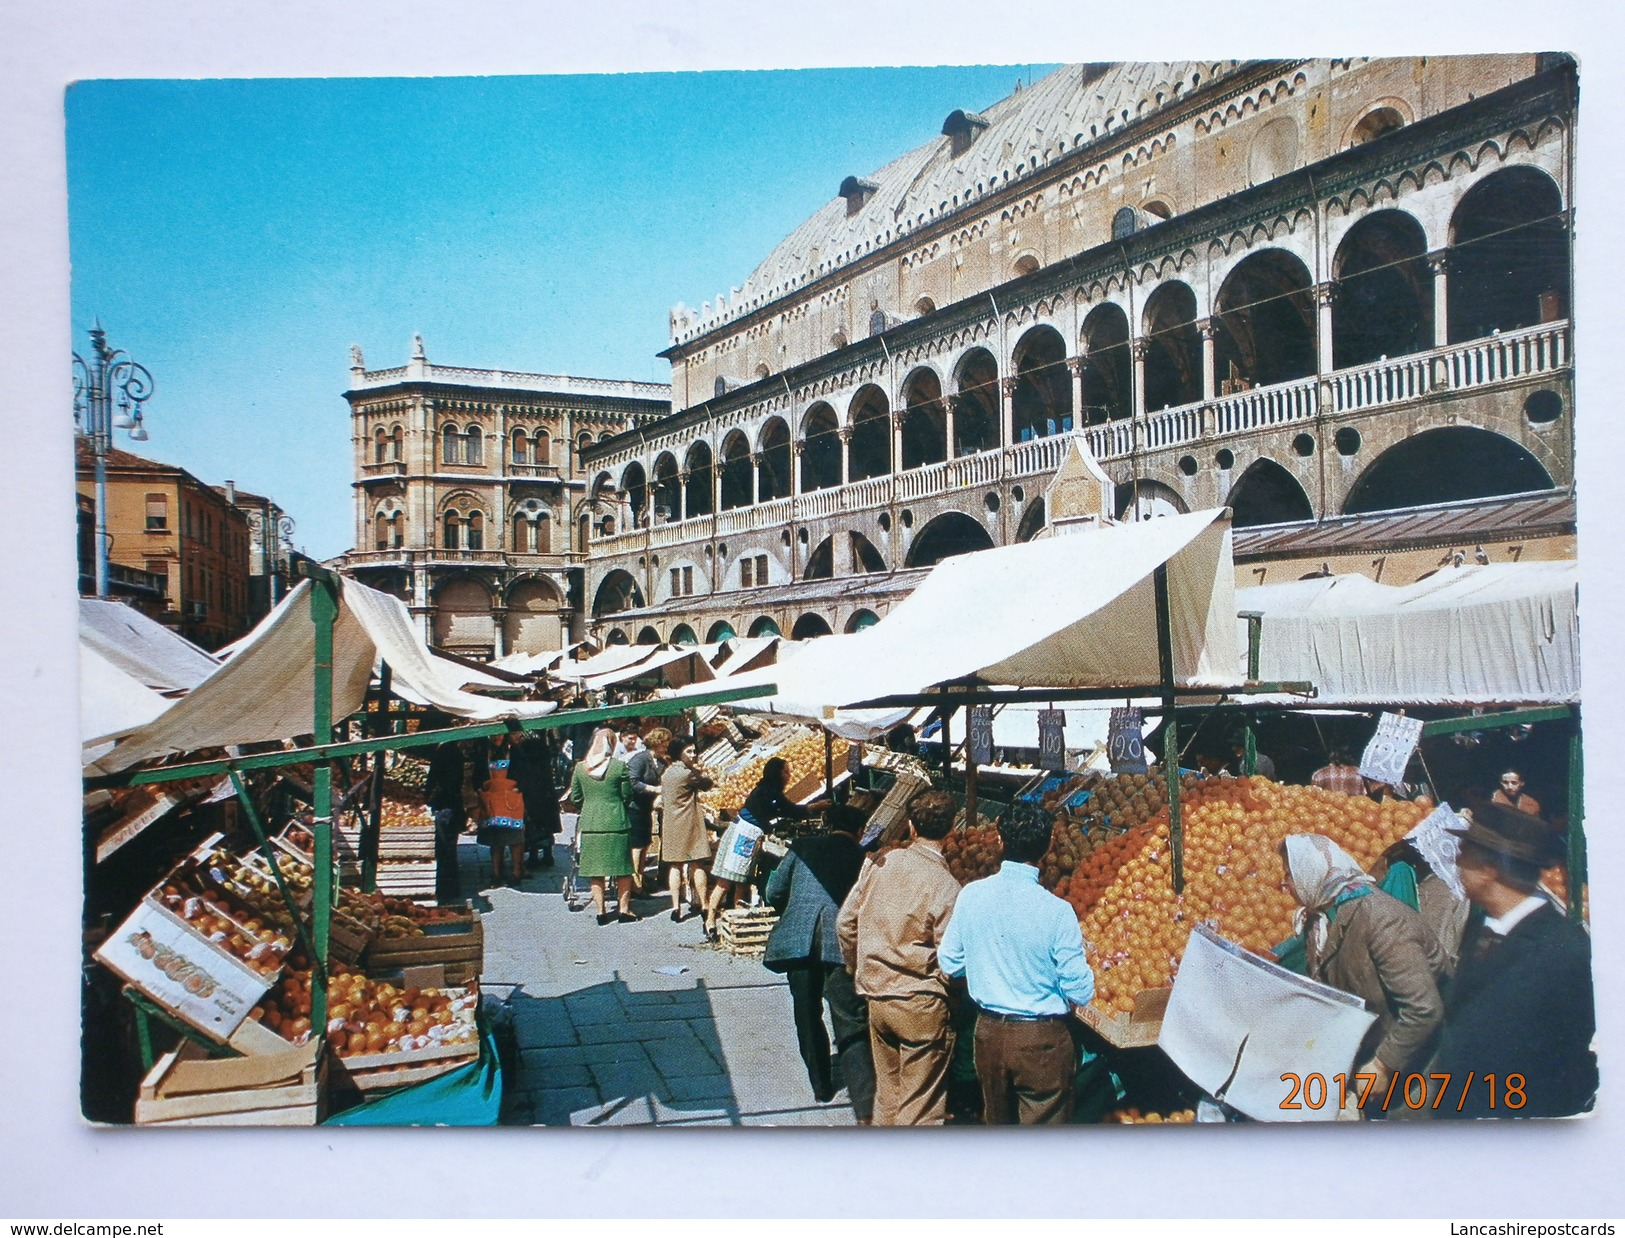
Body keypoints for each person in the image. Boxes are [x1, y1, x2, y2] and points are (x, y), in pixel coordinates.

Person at [1428, 803, 1596, 1119]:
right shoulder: (1480, 928)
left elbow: (1574, 1063)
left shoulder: (1563, 950)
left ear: (1489, 869)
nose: (1456, 860)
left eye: (1464, 853)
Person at [937, 803, 1095, 1124]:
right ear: (1049, 845)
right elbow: (1079, 989)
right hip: (1042, 1042)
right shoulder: (1058, 911)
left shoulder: (971, 895)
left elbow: (950, 963)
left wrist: (989, 969)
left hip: (989, 1034)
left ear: (999, 840)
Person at [1279, 834, 1446, 1108]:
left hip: (1416, 1073)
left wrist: (1383, 1064)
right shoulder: (1319, 918)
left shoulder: (1381, 919)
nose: (1283, 882)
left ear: (1311, 872)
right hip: (1366, 1056)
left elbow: (1424, 1009)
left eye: (1290, 873)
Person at [836, 790, 961, 1126]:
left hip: (877, 997)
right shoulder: (946, 884)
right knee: (920, 1107)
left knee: (889, 1095)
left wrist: (855, 966)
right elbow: (951, 957)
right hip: (919, 1002)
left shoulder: (880, 863)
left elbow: (846, 922)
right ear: (951, 829)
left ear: (910, 825)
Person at [764, 805, 876, 1123]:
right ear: (860, 830)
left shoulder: (802, 847)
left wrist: (797, 909)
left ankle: (820, 1085)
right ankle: (864, 1097)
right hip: (838, 943)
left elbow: (774, 891)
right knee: (847, 1018)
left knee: (806, 1012)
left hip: (798, 940)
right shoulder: (863, 858)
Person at [706, 757, 815, 938]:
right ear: (778, 773)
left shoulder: (766, 789)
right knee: (727, 881)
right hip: (744, 835)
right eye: (786, 771)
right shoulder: (768, 792)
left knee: (741, 881)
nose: (789, 775)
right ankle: (710, 920)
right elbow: (790, 810)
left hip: (744, 832)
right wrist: (813, 807)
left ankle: (737, 923)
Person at [568, 727, 639, 925]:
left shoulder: (581, 768)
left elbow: (575, 797)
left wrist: (590, 806)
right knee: (623, 869)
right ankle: (624, 910)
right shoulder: (619, 767)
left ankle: (601, 911)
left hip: (591, 824)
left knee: (595, 871)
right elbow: (627, 795)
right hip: (617, 823)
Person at [659, 736, 714, 923]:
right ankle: (705, 904)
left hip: (671, 823)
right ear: (679, 753)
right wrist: (701, 772)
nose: (694, 755)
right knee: (696, 864)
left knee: (675, 865)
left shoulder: (667, 773)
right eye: (689, 751)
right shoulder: (687, 773)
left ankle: (676, 906)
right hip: (689, 822)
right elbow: (707, 785)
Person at [474, 730, 536, 887]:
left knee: (515, 838)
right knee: (496, 839)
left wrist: (518, 788)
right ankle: (496, 873)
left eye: (499, 734)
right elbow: (477, 775)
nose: (496, 737)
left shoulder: (514, 751)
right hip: (492, 801)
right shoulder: (484, 752)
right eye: (494, 734)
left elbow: (526, 774)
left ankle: (516, 872)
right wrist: (480, 789)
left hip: (511, 801)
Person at [425, 733, 472, 904]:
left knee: (444, 848)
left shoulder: (446, 752)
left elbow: (435, 780)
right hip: (453, 805)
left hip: (445, 807)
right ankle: (451, 888)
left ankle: (447, 890)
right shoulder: (454, 751)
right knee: (450, 847)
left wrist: (428, 797)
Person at [624, 726, 667, 893]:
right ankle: (635, 884)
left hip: (647, 809)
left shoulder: (662, 761)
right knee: (637, 846)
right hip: (634, 808)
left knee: (645, 845)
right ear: (657, 743)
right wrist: (653, 789)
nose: (666, 746)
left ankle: (639, 879)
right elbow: (632, 781)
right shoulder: (640, 759)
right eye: (664, 743)